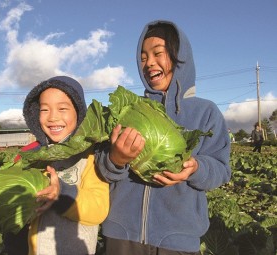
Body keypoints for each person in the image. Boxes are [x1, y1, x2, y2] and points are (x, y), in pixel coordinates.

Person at [95, 20, 231, 254]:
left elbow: (221, 170)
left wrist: (196, 168)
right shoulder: (131, 110)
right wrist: (116, 159)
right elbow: (102, 169)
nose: (149, 63)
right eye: (143, 57)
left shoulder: (206, 112)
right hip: (121, 233)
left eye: (158, 53)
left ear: (180, 57)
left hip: (178, 238)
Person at [4, 76, 109, 255]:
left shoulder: (91, 156)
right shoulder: (31, 155)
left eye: (62, 108)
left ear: (79, 112)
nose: (53, 117)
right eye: (44, 109)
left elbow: (98, 209)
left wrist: (61, 193)